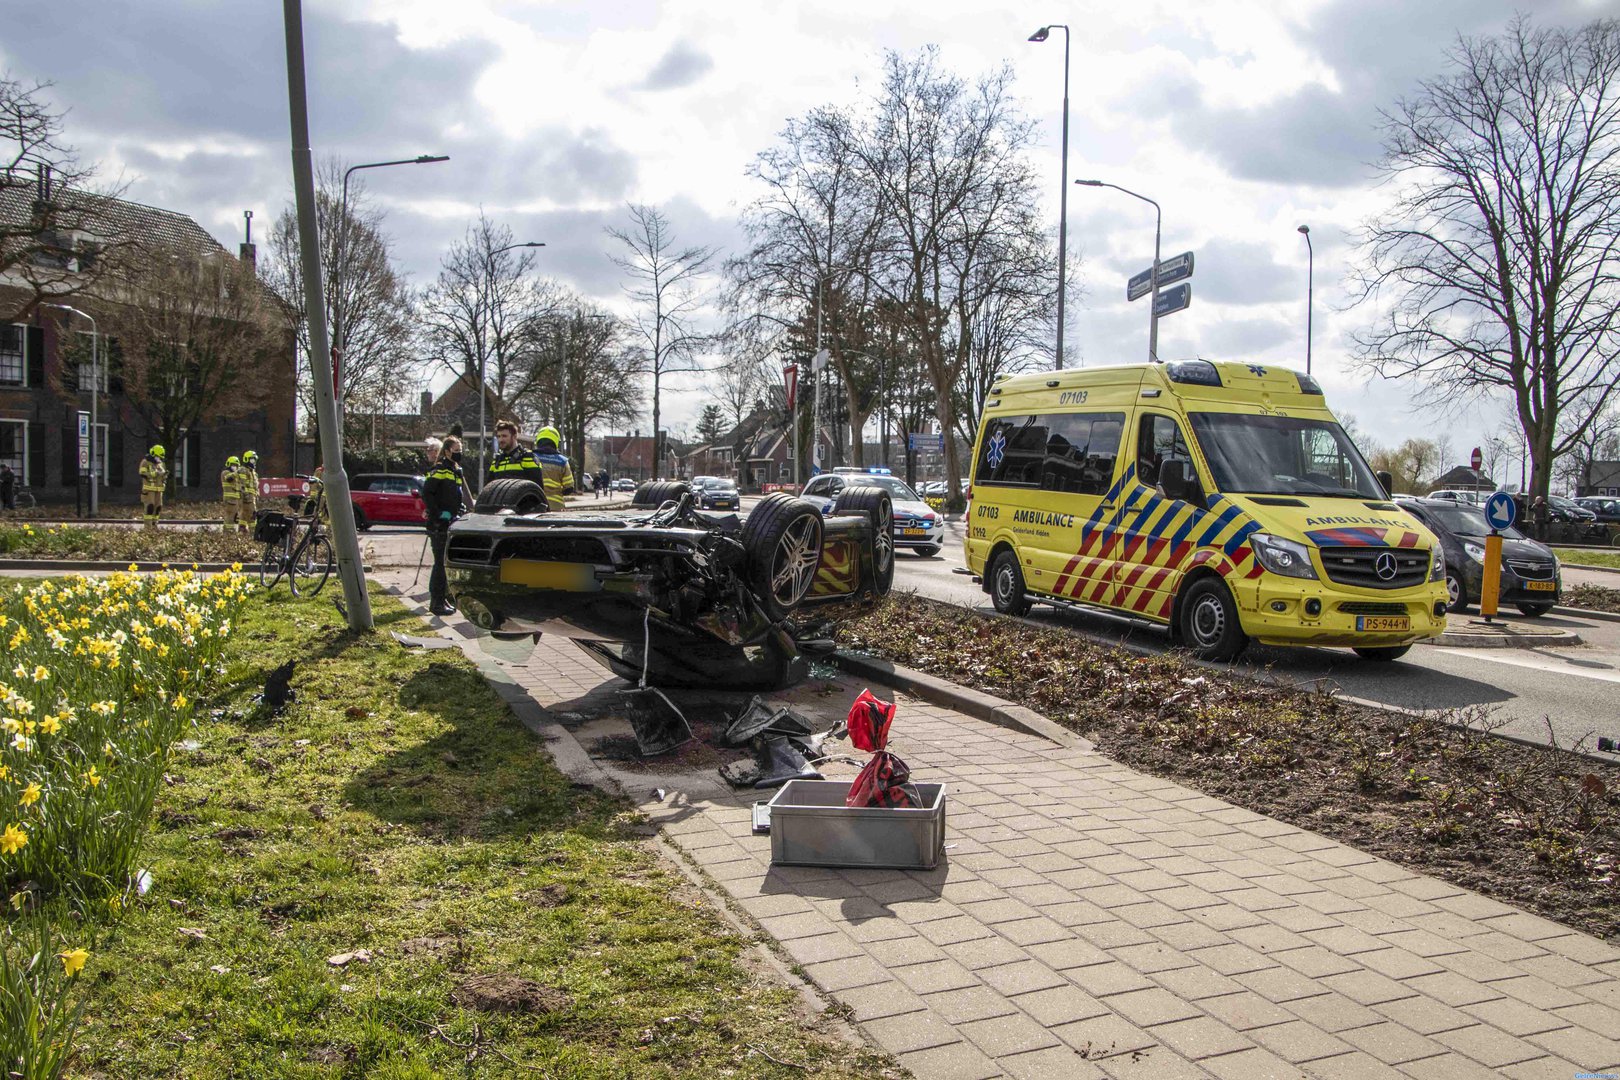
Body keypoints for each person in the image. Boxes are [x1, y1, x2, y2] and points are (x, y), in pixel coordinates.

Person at [422, 436, 465, 616]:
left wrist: (459, 509)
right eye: (456, 450)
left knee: (445, 563)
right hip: (439, 525)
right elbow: (428, 493)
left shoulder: (456, 471)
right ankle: (436, 602)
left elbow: (455, 496)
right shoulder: (439, 469)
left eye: (460, 450)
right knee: (440, 564)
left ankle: (443, 598)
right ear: (447, 451)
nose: (459, 453)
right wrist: (438, 514)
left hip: (451, 522)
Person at [485, 419, 547, 504]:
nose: (500, 440)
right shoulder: (497, 461)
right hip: (499, 509)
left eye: (504, 436)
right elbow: (489, 487)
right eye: (498, 436)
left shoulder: (527, 457)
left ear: (514, 436)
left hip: (523, 510)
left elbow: (537, 488)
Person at [533, 426, 575, 507]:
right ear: (556, 441)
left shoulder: (530, 457)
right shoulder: (562, 461)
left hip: (535, 504)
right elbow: (569, 487)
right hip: (555, 505)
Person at [140, 445, 168, 529]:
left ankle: (154, 525)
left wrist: (165, 476)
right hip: (149, 490)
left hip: (159, 490)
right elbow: (142, 473)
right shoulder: (145, 462)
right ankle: (148, 527)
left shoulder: (161, 463)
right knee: (150, 507)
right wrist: (154, 474)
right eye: (158, 456)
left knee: (158, 507)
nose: (159, 459)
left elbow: (163, 476)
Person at [237, 451, 260, 533]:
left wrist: (256, 495)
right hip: (247, 498)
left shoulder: (253, 472)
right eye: (252, 460)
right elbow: (241, 485)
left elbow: (255, 486)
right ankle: (254, 533)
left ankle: (242, 531)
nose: (254, 462)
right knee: (252, 516)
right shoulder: (243, 470)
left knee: (244, 515)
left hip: (251, 498)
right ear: (246, 459)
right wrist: (245, 496)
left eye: (254, 460)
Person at [220, 455, 241, 530]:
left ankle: (228, 531)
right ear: (229, 464)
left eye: (236, 465)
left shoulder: (236, 476)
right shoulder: (225, 473)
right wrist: (237, 473)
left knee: (233, 517)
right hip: (229, 500)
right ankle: (229, 532)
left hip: (235, 500)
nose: (235, 467)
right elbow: (229, 479)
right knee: (229, 517)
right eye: (233, 465)